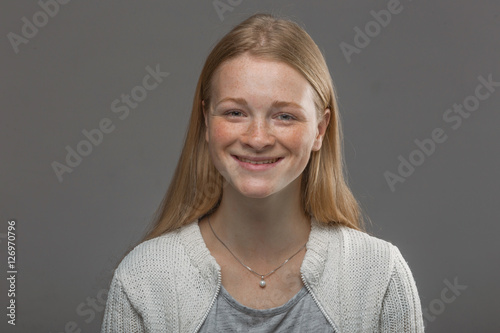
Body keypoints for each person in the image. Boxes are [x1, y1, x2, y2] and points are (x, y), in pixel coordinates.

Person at [101, 13, 425, 333]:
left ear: (320, 130)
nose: (257, 138)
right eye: (235, 113)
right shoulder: (142, 280)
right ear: (206, 123)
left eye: (284, 116)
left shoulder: (381, 277)